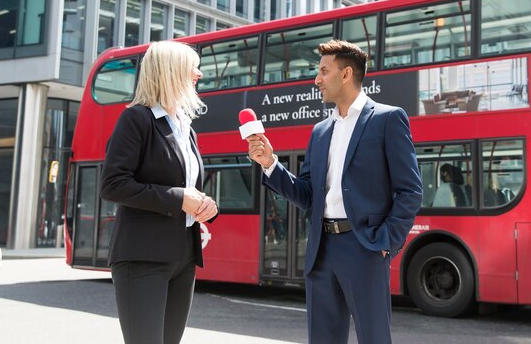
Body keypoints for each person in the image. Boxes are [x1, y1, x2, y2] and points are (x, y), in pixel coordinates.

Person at [246, 39, 422, 344]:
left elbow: (410, 191)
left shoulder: (387, 119)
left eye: (324, 71)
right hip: (321, 250)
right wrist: (270, 164)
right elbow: (307, 195)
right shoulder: (320, 131)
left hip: (365, 248)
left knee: (374, 338)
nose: (317, 80)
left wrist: (385, 242)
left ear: (346, 74)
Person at [100, 40, 219, 344]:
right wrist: (179, 198)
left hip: (183, 257)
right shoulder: (136, 119)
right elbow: (113, 184)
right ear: (171, 72)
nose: (199, 75)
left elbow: (186, 186)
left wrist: (205, 205)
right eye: (193, 68)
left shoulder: (186, 128)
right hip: (142, 257)